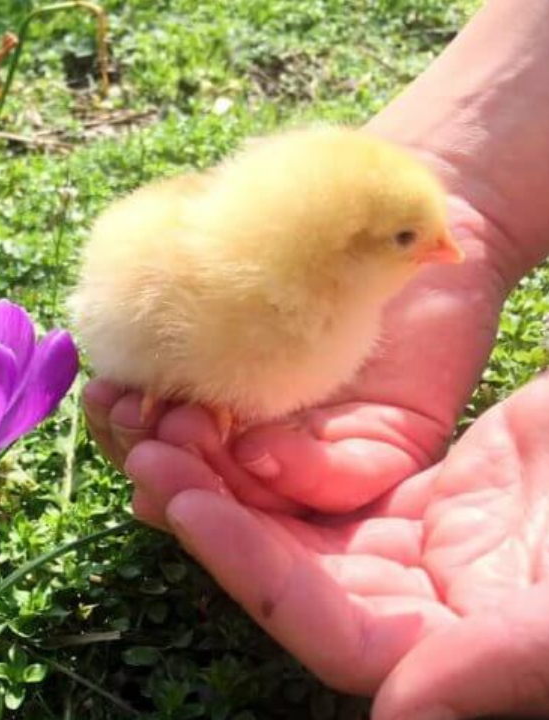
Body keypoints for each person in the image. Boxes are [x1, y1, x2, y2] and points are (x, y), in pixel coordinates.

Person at [81, 1, 549, 718]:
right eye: (406, 239)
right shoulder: (233, 285)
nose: (443, 253)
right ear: (334, 253)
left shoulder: (305, 293)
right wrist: (474, 188)